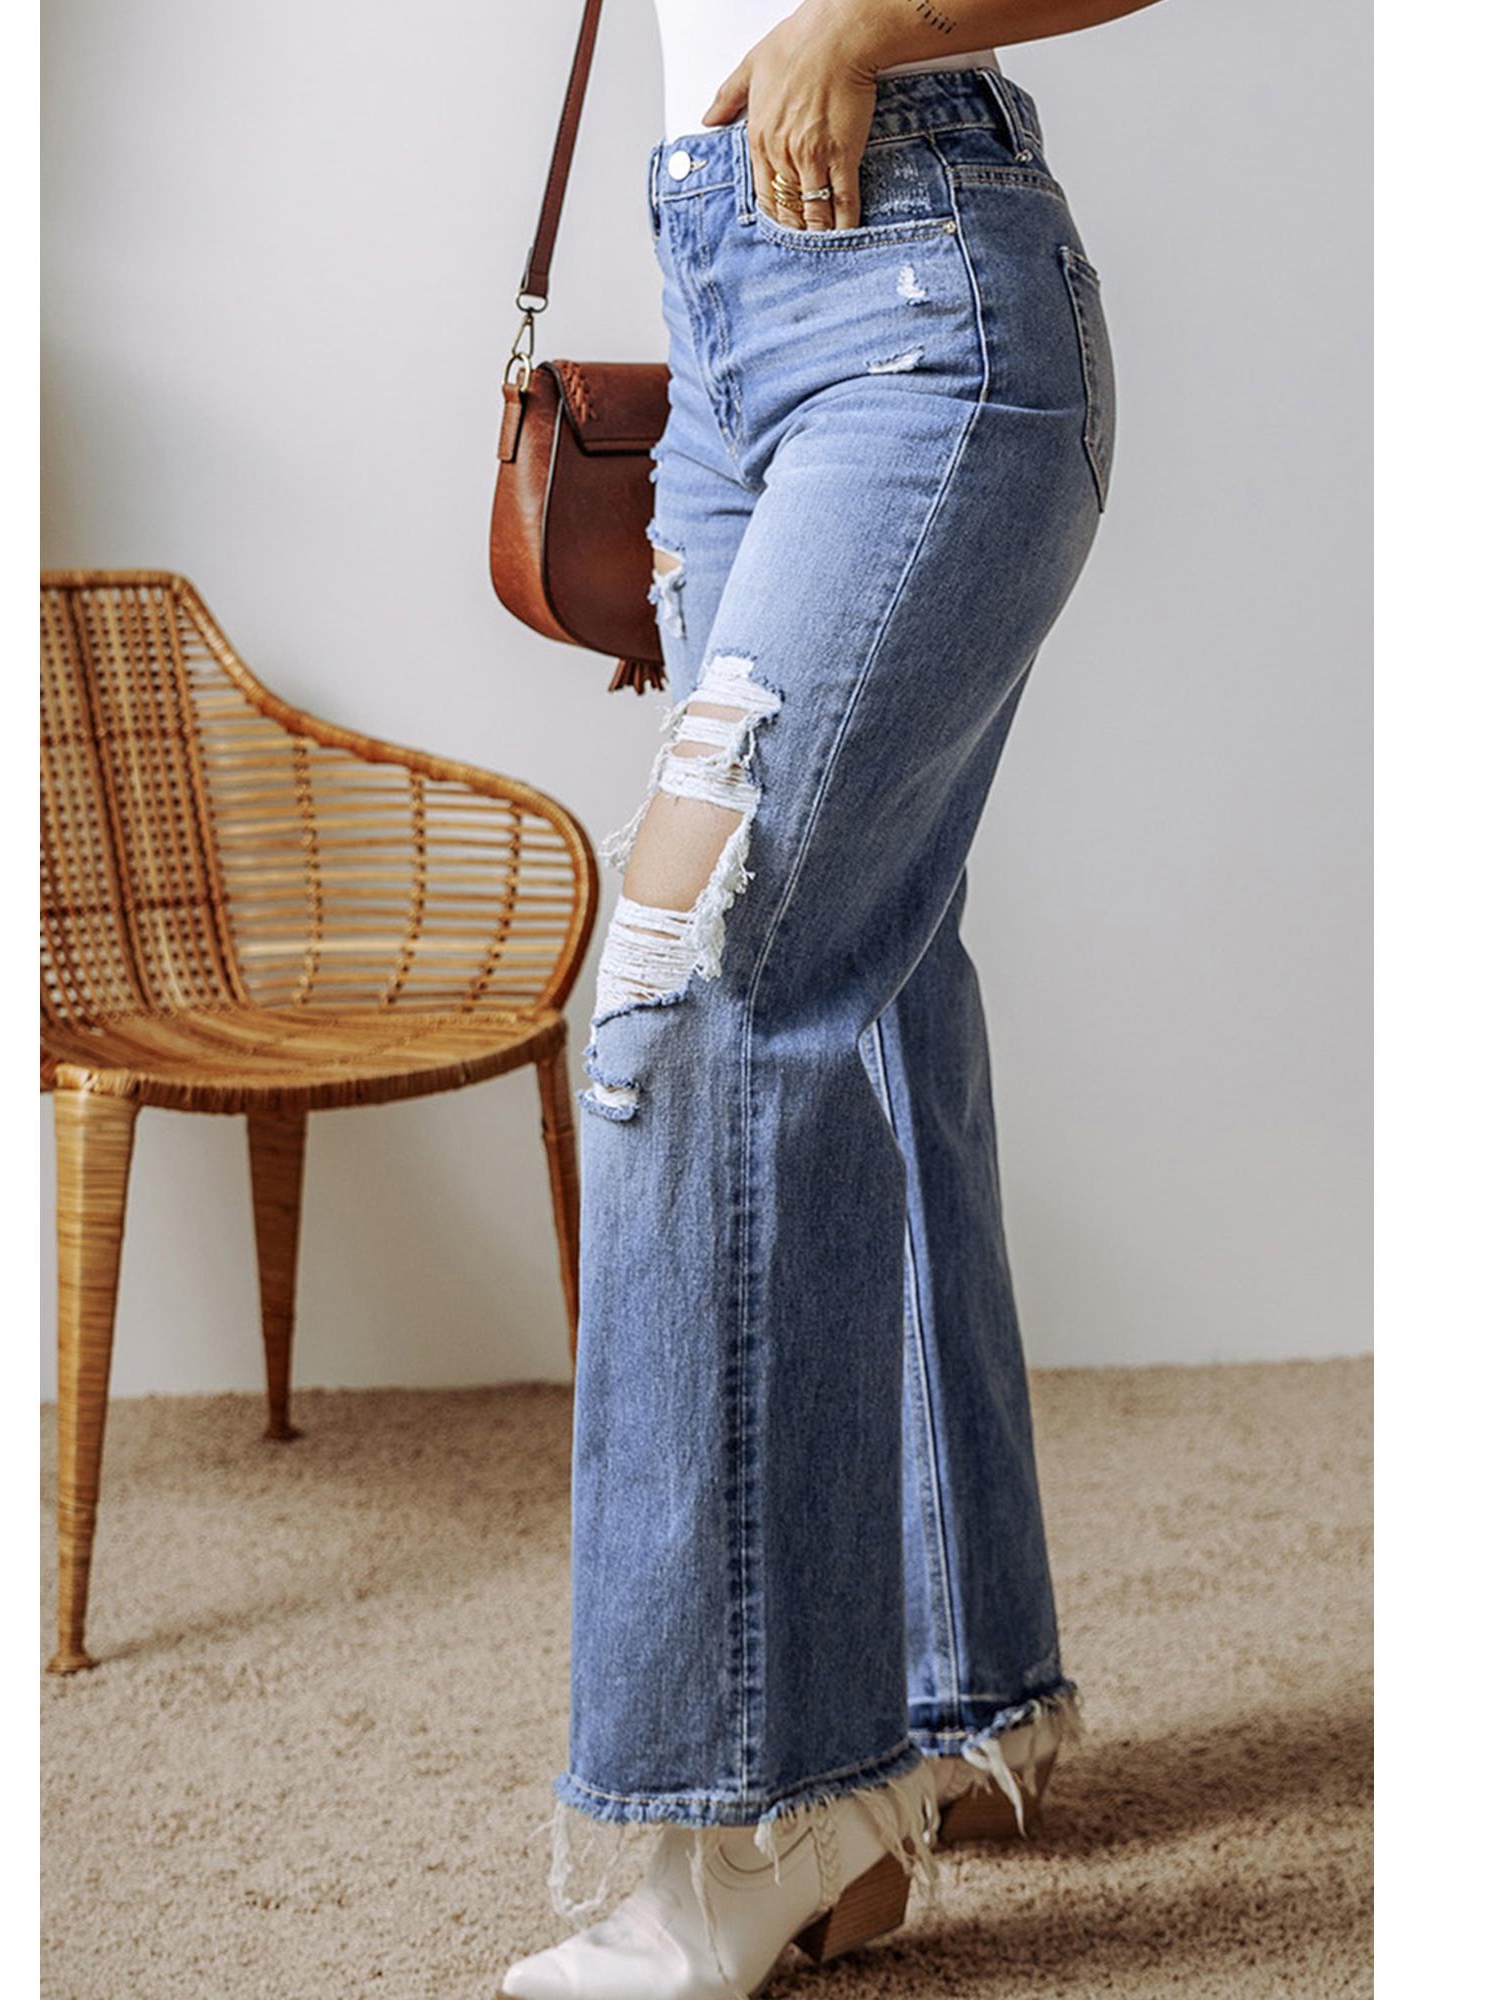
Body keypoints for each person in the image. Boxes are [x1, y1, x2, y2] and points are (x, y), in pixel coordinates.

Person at [501, 3, 1154, 1994]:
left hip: (914, 290)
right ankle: (934, 1715)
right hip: (719, 332)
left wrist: (865, 19)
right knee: (860, 979)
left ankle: (752, 1814)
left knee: (690, 986)